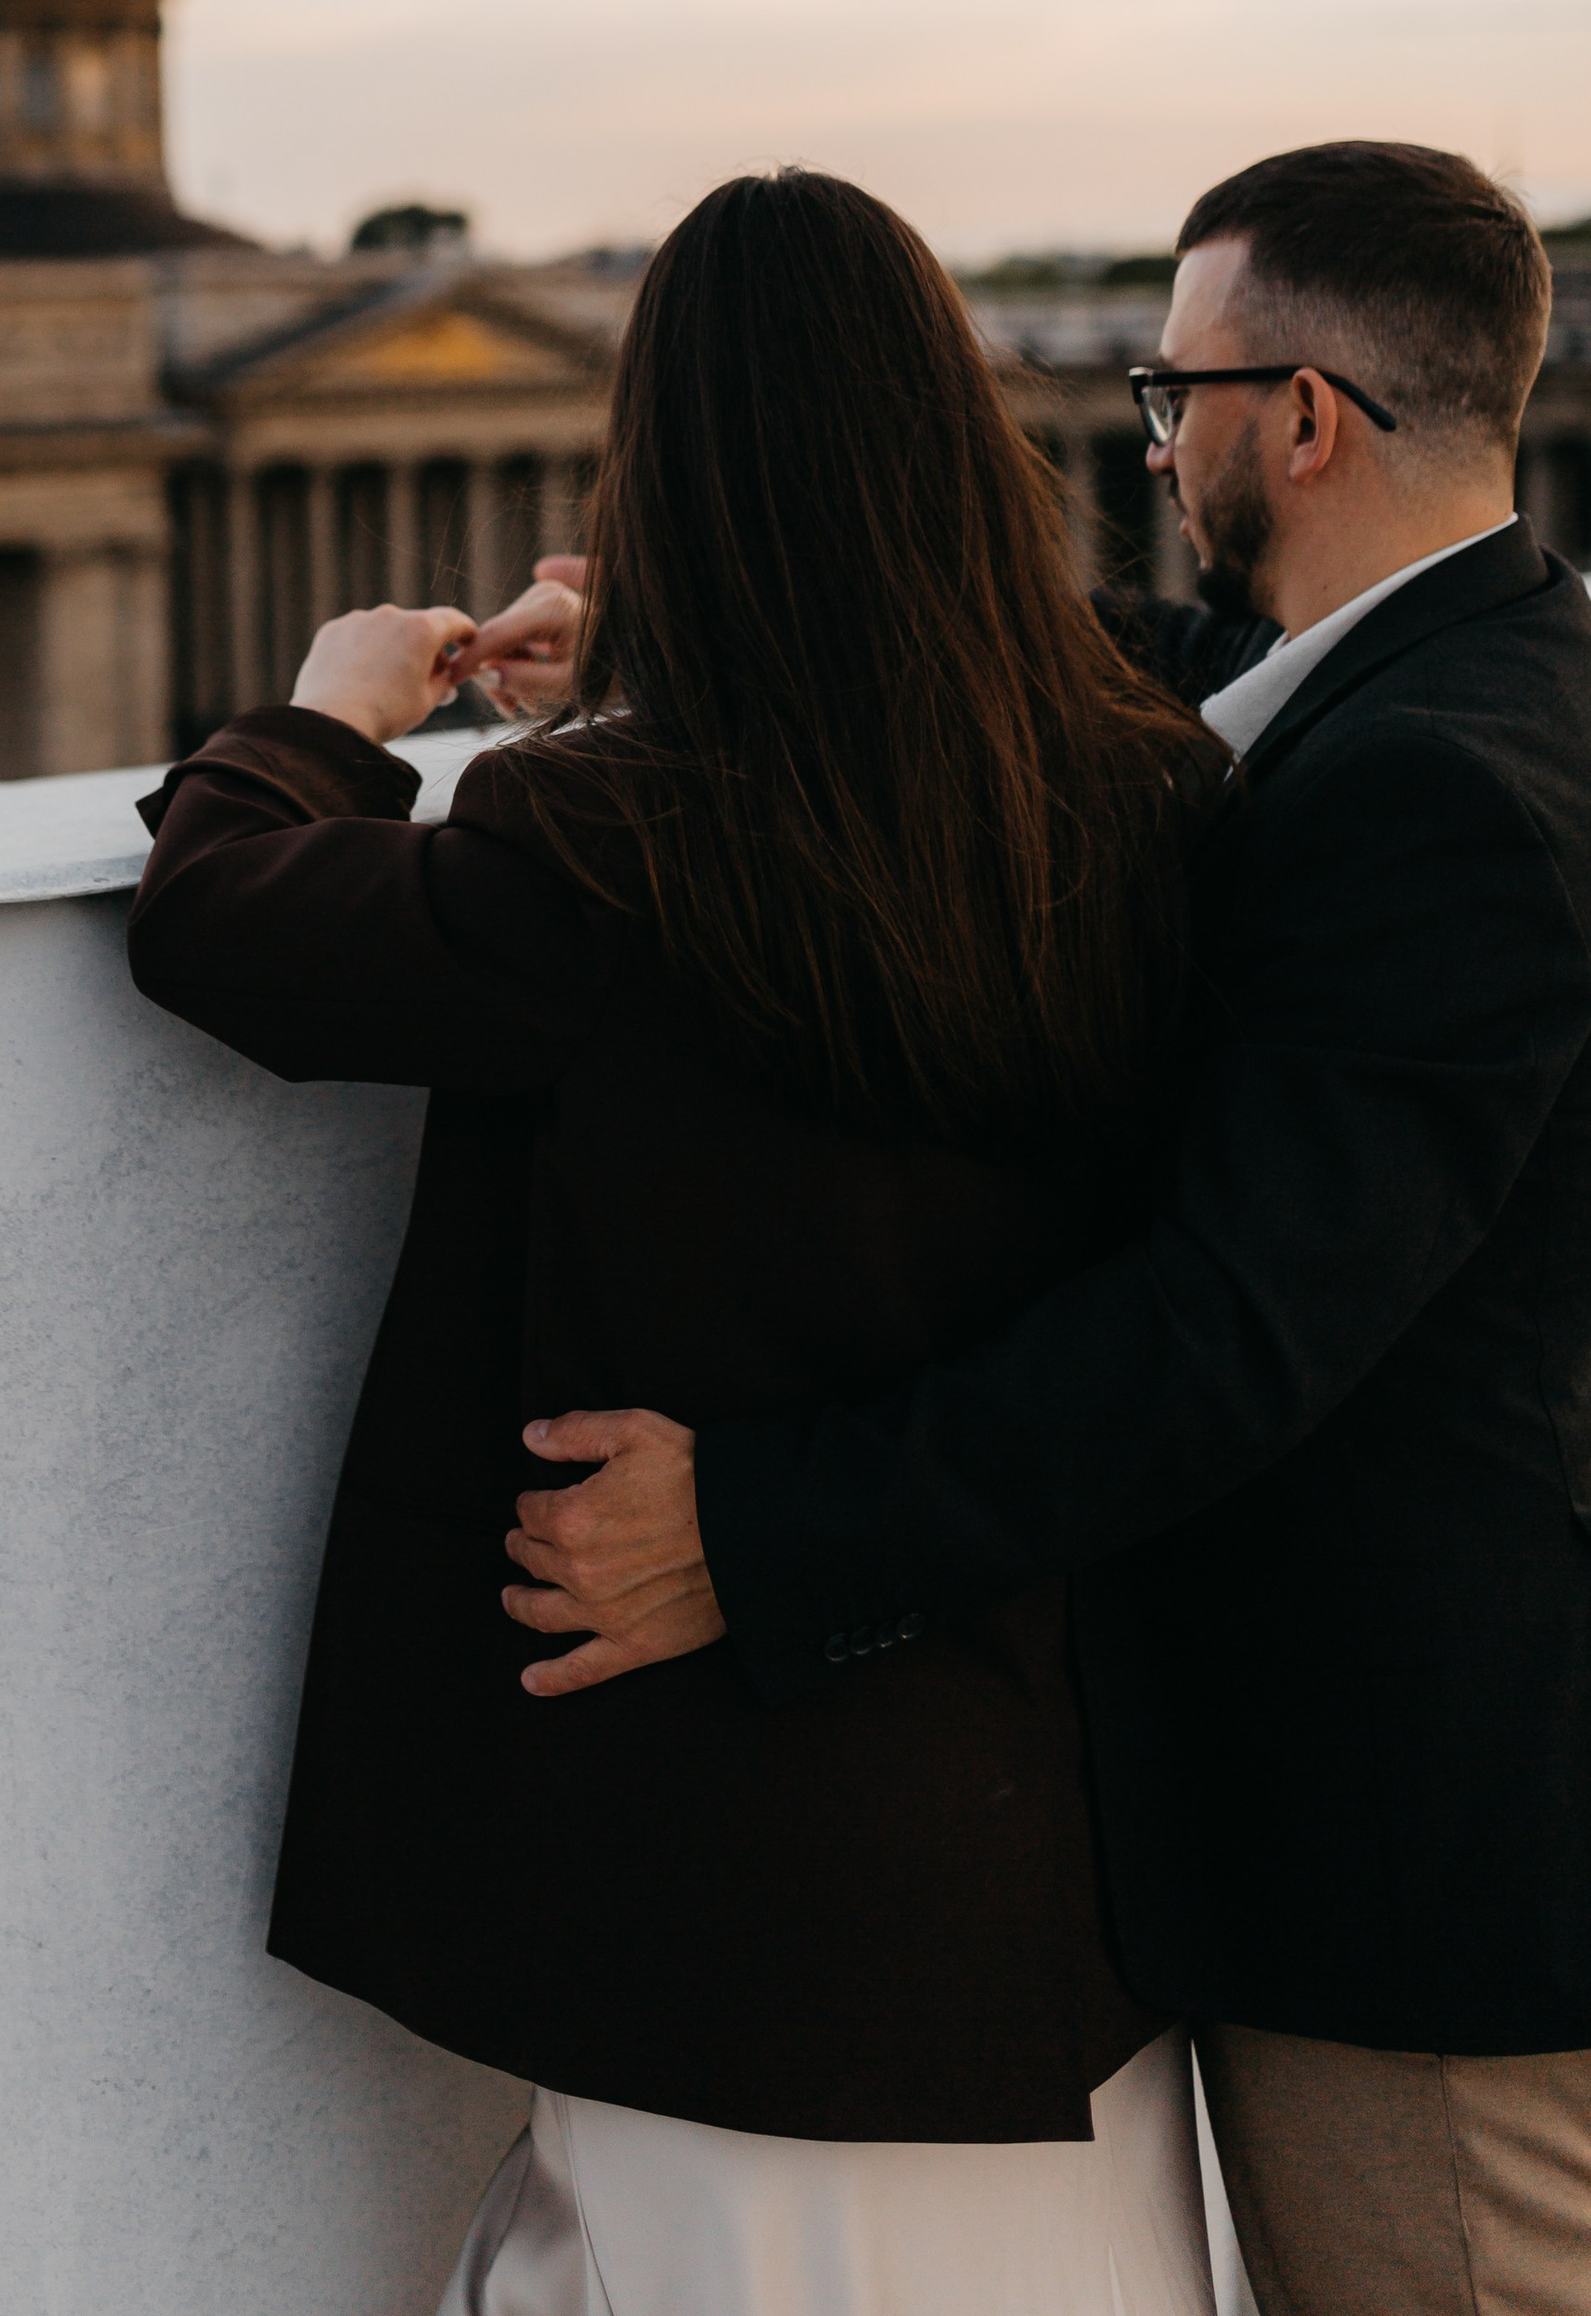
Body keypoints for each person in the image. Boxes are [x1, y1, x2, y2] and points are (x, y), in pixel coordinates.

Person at [473, 141, 1591, 2316]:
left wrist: (767, 1532)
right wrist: (733, 622)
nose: (1148, 442)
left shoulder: (1424, 789)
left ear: (1301, 420)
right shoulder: (1478, 682)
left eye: (1172, 399)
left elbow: (1229, 1330)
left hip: (1412, 1879)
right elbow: (1159, 661)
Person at [127, 167, 1224, 2316]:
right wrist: (637, 686)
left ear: (667, 477)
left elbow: (221, 931)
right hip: (1036, 1846)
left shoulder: (606, 839)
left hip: (711, 1861)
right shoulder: (1153, 791)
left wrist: (321, 725)